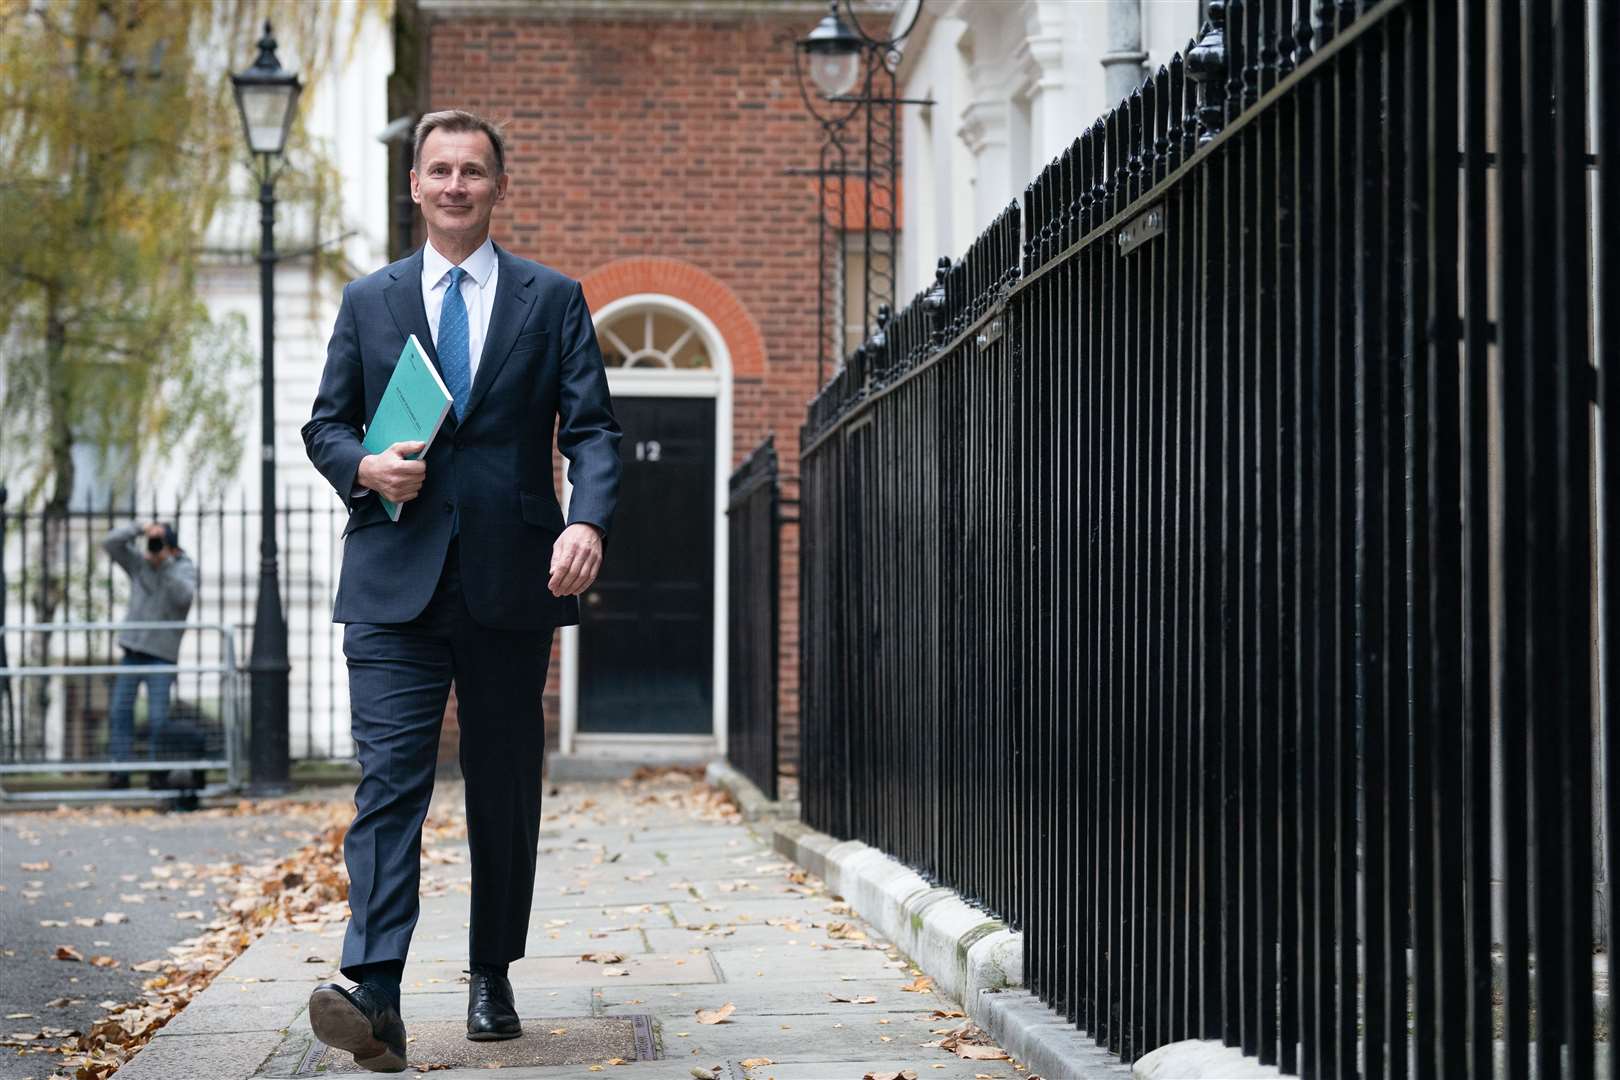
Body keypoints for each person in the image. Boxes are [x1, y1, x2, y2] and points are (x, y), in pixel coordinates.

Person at [300, 109, 621, 1073]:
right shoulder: (369, 300)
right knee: (388, 786)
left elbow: (594, 430)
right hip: (393, 581)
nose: (454, 186)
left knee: (502, 789)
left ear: (497, 186)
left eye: (472, 171)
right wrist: (365, 469)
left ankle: (492, 972)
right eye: (438, 170)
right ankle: (378, 991)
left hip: (510, 579)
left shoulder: (551, 298)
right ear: (414, 184)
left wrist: (586, 519)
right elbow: (326, 427)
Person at [101, 521, 197, 788]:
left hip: (161, 656)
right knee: (120, 711)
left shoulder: (183, 567)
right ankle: (120, 771)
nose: (154, 548)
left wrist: (164, 565)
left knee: (158, 718)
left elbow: (184, 598)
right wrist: (141, 529)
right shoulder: (140, 563)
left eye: (160, 543)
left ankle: (158, 773)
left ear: (173, 548)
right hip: (132, 650)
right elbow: (110, 543)